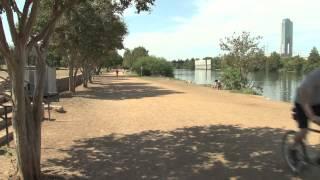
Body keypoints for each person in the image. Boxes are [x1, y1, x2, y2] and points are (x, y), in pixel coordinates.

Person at [291, 69, 320, 165]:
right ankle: (293, 148)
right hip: (302, 102)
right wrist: (312, 116)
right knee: (304, 130)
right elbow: (304, 100)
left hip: (317, 102)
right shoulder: (315, 76)